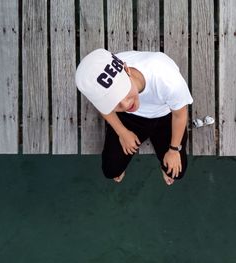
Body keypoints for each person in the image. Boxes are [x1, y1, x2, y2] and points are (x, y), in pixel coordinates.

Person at [75, 49, 193, 185]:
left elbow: (180, 115)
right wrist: (123, 132)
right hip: (130, 118)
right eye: (114, 102)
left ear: (126, 70)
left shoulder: (166, 77)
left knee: (177, 172)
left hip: (165, 116)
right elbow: (104, 108)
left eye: (123, 91)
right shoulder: (112, 94)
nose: (126, 104)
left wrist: (173, 150)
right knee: (110, 170)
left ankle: (164, 159)